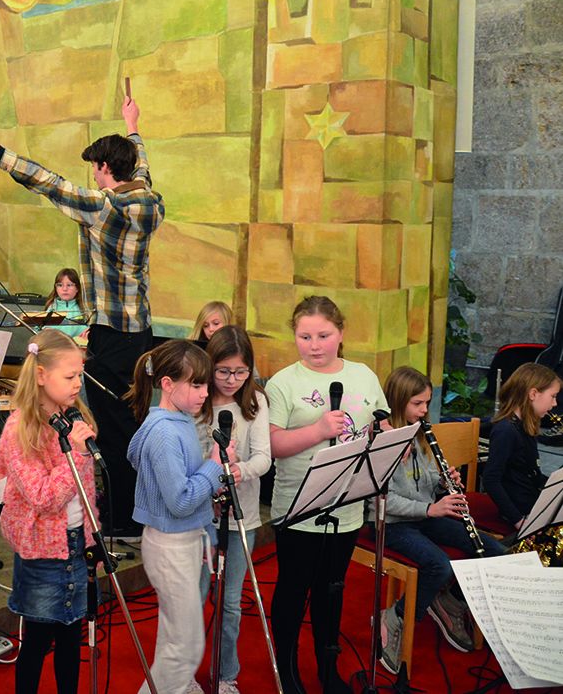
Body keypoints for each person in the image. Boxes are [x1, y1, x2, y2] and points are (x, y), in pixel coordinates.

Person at [0, 95, 164, 539]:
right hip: (140, 331)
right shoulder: (149, 199)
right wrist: (133, 124)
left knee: (111, 428)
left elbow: (47, 182)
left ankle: (123, 520)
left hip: (111, 335)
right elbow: (141, 165)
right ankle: (134, 510)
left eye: (97, 167)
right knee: (131, 419)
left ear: (107, 169)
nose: (93, 174)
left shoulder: (103, 206)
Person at [265, 296, 387, 694]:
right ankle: (286, 669)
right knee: (293, 588)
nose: (314, 345)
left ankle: (327, 667)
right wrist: (317, 431)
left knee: (332, 590)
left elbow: (380, 423)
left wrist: (384, 437)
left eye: (324, 335)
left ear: (341, 333)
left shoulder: (364, 375)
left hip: (349, 506)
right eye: (304, 336)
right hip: (299, 507)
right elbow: (272, 445)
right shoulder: (283, 382)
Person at [373, 366, 505, 674]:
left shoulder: (420, 434)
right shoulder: (382, 438)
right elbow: (382, 501)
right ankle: (393, 618)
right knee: (440, 565)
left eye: (426, 404)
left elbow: (429, 478)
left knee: (494, 552)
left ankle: (450, 601)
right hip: (390, 524)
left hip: (424, 516)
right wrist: (431, 509)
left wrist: (445, 483)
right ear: (397, 400)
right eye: (417, 404)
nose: (423, 411)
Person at [125, 339, 231, 694]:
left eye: (205, 383)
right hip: (170, 545)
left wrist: (209, 533)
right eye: (196, 384)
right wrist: (215, 466)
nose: (205, 392)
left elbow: (187, 486)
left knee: (174, 636)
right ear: (167, 384)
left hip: (185, 539)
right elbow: (181, 501)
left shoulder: (181, 420)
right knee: (186, 648)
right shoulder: (165, 433)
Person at [0, 329, 98, 694]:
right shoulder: (19, 430)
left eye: (80, 376)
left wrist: (91, 536)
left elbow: (86, 493)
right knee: (38, 640)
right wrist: (77, 452)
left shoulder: (72, 417)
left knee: (72, 638)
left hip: (75, 544)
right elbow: (42, 497)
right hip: (41, 552)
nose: (77, 384)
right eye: (69, 377)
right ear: (41, 376)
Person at [195, 326, 271, 694]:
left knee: (230, 605)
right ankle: (181, 673)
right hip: (199, 515)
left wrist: (239, 469)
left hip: (244, 516)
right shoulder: (197, 399)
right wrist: (210, 470)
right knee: (193, 598)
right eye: (223, 371)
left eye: (240, 372)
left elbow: (264, 458)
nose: (231, 380)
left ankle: (226, 675)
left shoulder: (254, 400)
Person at [483, 362, 560, 526]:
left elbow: (532, 473)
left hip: (531, 504)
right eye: (552, 396)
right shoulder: (506, 431)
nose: (555, 404)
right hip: (521, 512)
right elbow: (490, 480)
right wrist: (519, 521)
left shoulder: (525, 426)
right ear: (533, 394)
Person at [42, 268, 89, 338]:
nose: (64, 289)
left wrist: (91, 329)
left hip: (80, 346)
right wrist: (45, 329)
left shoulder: (85, 307)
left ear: (77, 288)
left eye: (69, 285)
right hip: (56, 346)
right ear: (56, 288)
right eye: (60, 285)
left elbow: (95, 326)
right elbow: (39, 327)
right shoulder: (52, 307)